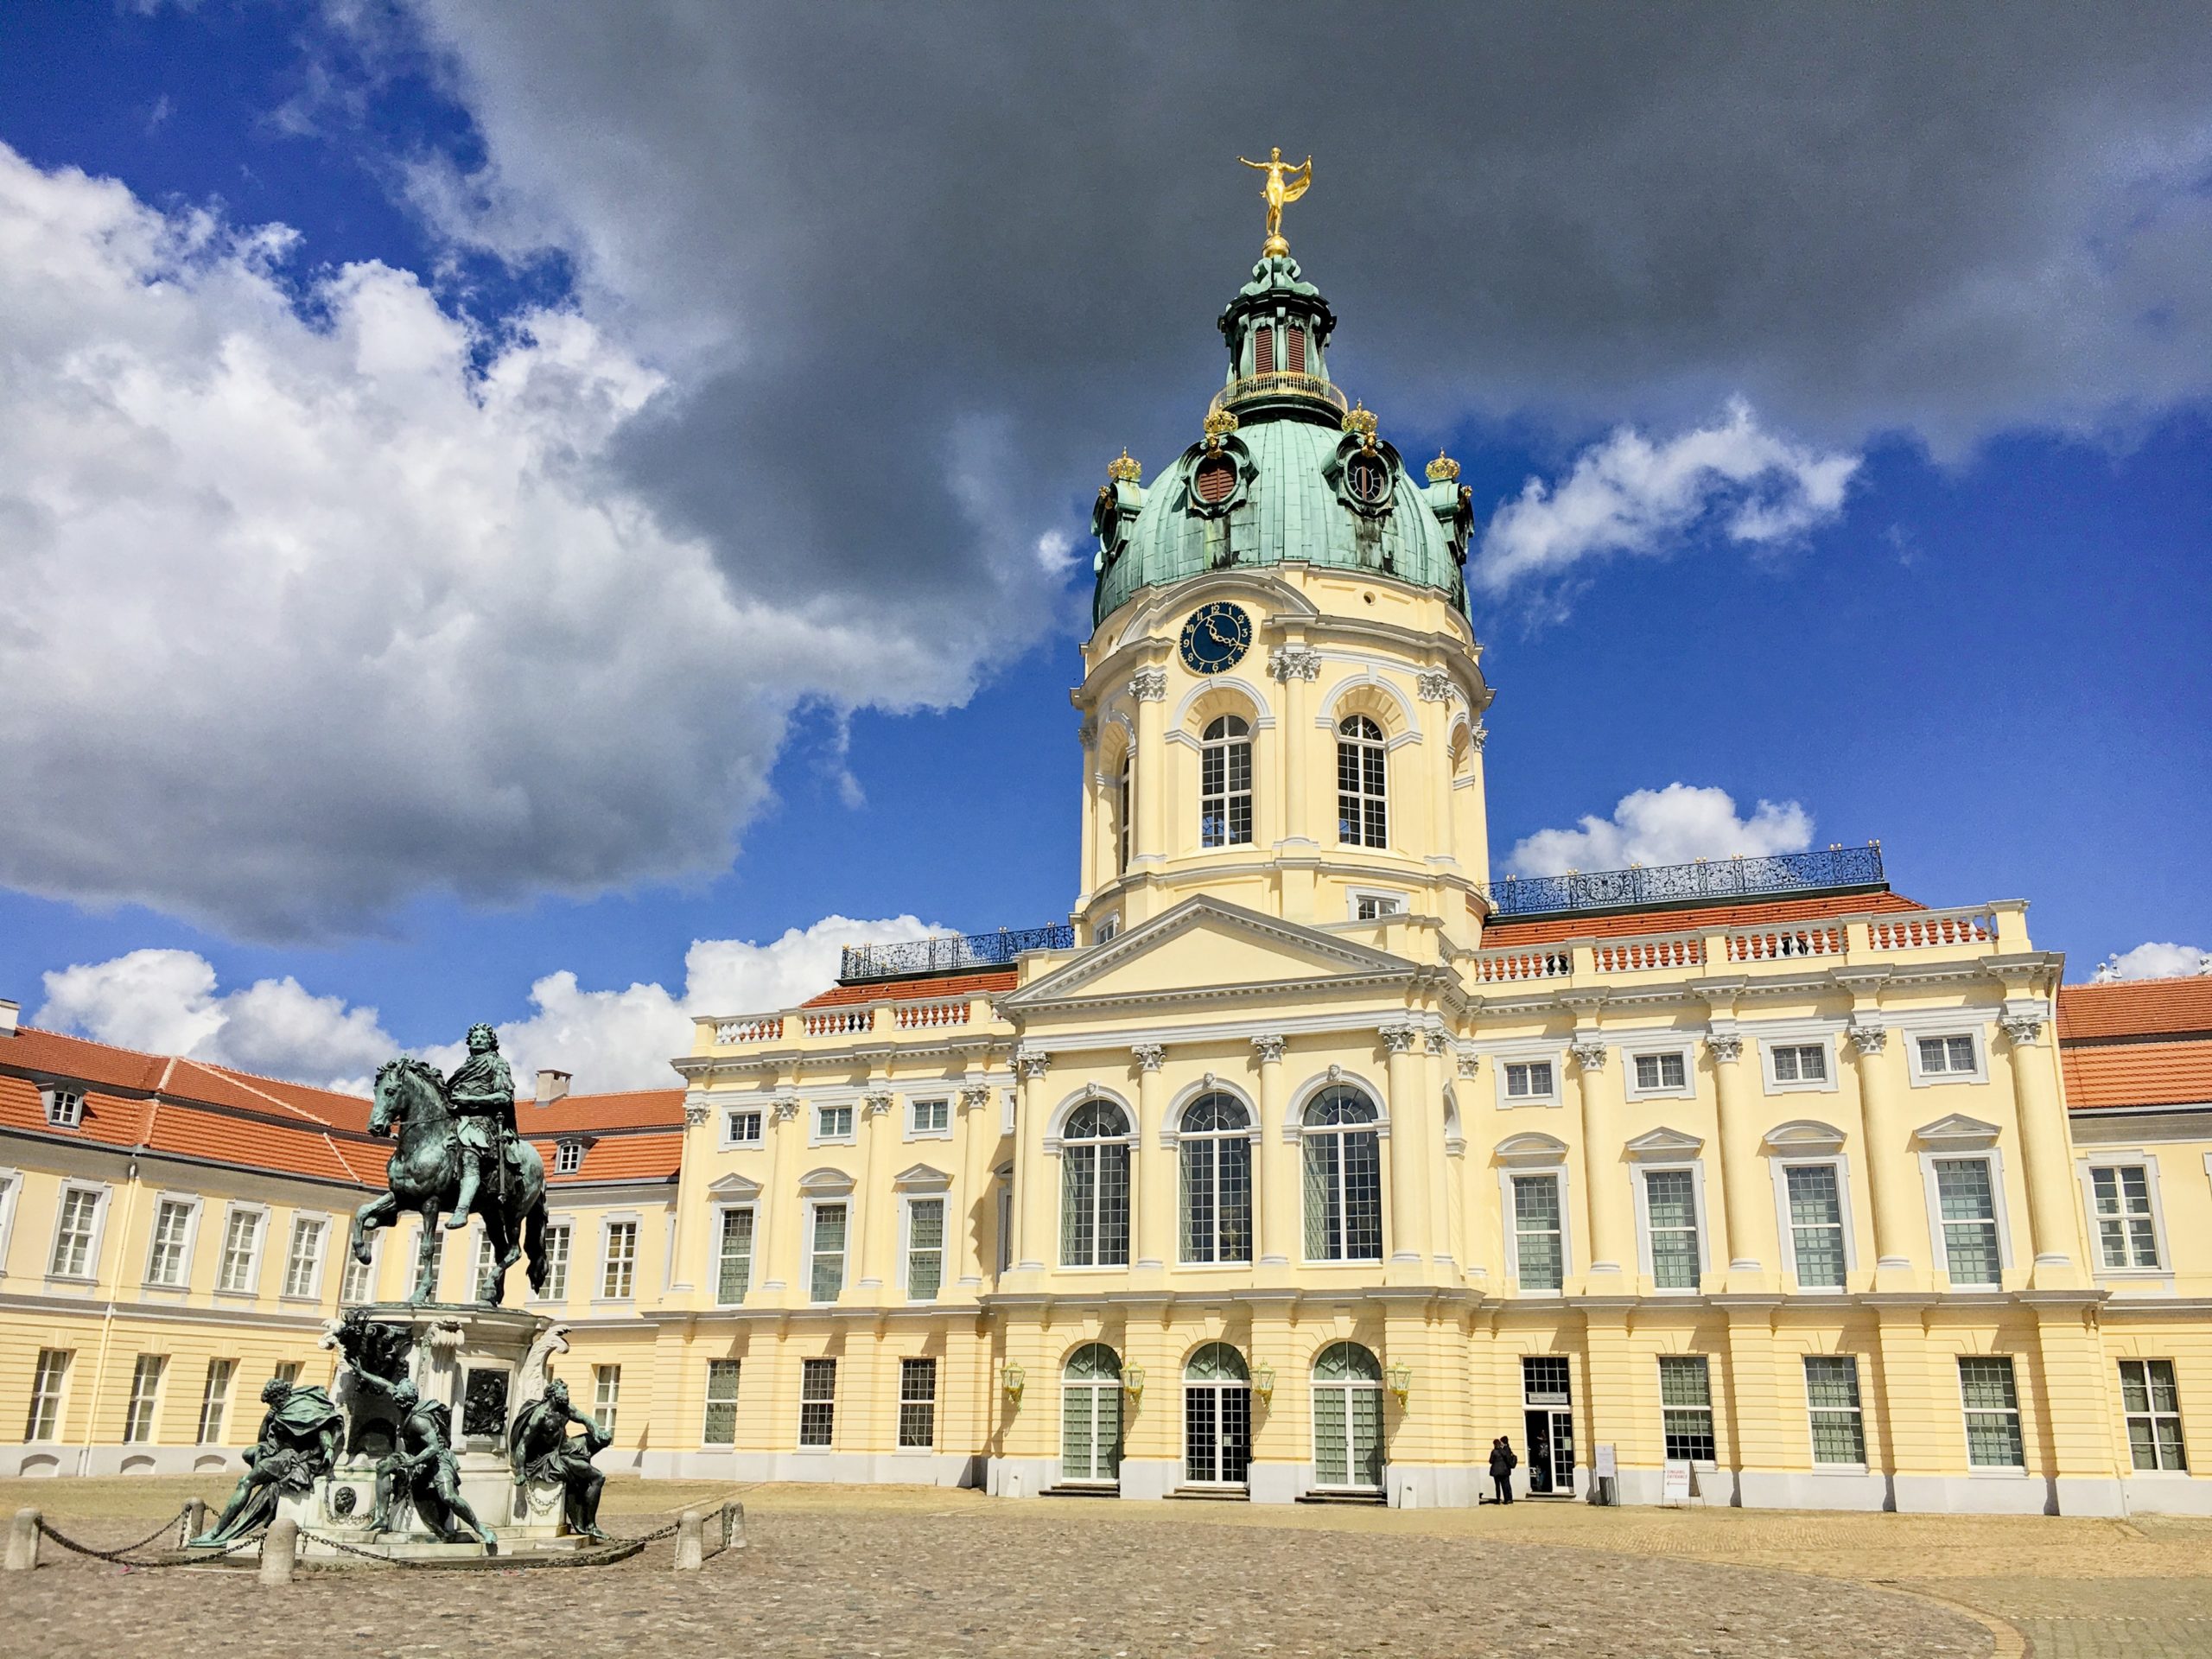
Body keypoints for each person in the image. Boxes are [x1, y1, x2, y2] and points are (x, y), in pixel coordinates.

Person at [188, 1376, 345, 1545]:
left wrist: (328, 1449)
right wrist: (268, 1418)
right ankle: (225, 1527)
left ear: (278, 1397)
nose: (271, 1406)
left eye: (272, 1402)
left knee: (246, 1481)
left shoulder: (301, 1408)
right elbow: (262, 1440)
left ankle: (217, 1532)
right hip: (279, 1452)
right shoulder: (280, 1411)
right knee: (249, 1453)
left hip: (291, 1457)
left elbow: (321, 1429)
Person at [371, 1378, 495, 1546]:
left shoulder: (418, 1421)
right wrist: (361, 1372)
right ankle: (381, 1517)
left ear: (406, 1402)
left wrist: (414, 1461)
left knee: (449, 1496)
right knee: (383, 1466)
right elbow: (387, 1386)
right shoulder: (401, 1399)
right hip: (413, 1455)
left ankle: (480, 1528)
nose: (396, 1404)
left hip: (437, 1459)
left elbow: (434, 1448)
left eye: (398, 1402)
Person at [508, 1376, 613, 1540]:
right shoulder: (540, 1416)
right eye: (564, 1389)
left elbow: (585, 1418)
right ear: (552, 1393)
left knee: (605, 1438)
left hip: (567, 1446)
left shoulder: (565, 1408)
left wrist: (596, 1430)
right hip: (552, 1457)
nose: (567, 1392)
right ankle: (590, 1525)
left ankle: (581, 1461)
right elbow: (523, 1444)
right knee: (598, 1477)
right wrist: (520, 1471)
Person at [442, 1022, 515, 1230]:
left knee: (469, 1155)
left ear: (492, 1041)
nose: (478, 1040)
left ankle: (461, 1210)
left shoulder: (498, 1064)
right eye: (474, 1037)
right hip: (457, 1119)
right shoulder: (464, 1068)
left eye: (483, 1037)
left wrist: (468, 1099)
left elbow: (504, 1096)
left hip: (483, 1121)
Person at [1489, 1434, 1518, 1504]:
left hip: (1500, 1471)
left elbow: (1491, 1461)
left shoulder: (1502, 1450)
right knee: (1506, 1485)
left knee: (1502, 1486)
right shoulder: (1504, 1450)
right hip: (1504, 1470)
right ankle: (1508, 1499)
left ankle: (1503, 1499)